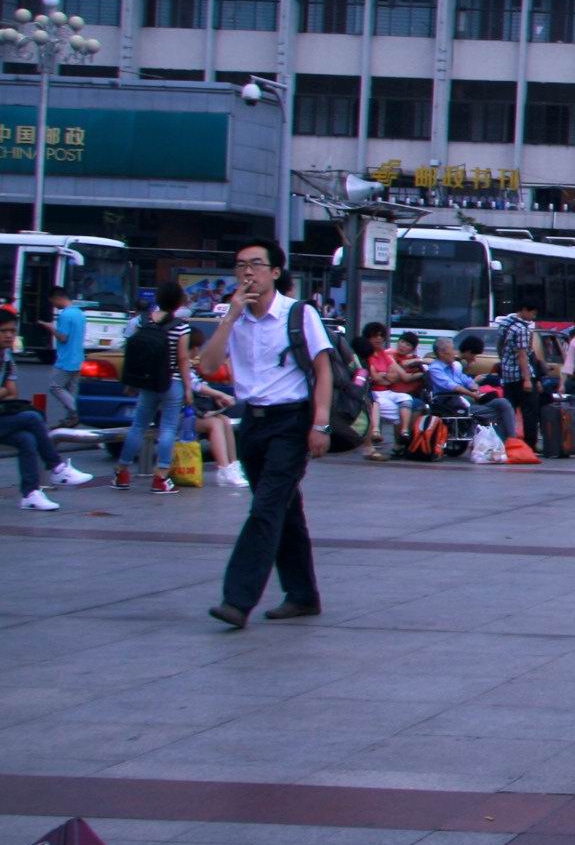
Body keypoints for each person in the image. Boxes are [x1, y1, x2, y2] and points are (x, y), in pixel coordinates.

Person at [193, 238, 332, 629]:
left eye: (255, 264)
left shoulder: (299, 313)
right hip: (252, 423)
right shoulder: (234, 316)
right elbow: (208, 367)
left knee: (266, 509)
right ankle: (302, 595)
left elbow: (323, 370)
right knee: (284, 510)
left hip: (291, 422)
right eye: (240, 266)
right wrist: (229, 317)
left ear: (274, 272)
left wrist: (320, 423)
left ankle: (237, 600)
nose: (247, 272)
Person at [0, 308, 93, 510]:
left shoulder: (7, 358)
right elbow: (8, 391)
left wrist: (4, 391)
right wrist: (5, 391)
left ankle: (30, 494)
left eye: (12, 331)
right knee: (32, 417)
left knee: (27, 439)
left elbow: (12, 393)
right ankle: (57, 468)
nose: (8, 335)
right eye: (3, 331)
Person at [117, 283, 196, 490]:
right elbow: (183, 359)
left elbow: (133, 353)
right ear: (178, 302)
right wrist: (188, 388)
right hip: (172, 382)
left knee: (138, 426)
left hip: (146, 381)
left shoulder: (142, 321)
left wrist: (131, 381)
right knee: (168, 428)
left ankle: (121, 472)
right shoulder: (181, 326)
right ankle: (161, 477)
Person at [421, 340, 518, 442]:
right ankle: (506, 442)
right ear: (441, 353)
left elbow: (466, 380)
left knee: (503, 403)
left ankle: (512, 440)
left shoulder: (453, 367)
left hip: (465, 401)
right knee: (499, 411)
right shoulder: (436, 369)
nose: (455, 353)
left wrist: (474, 387)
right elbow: (453, 387)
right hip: (452, 405)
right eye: (452, 350)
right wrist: (472, 394)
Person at [490, 294, 546, 444]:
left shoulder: (505, 323)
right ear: (525, 310)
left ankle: (507, 442)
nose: (533, 317)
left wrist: (504, 362)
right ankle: (529, 445)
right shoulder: (522, 329)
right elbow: (523, 355)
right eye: (533, 313)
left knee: (509, 410)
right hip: (521, 376)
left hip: (507, 375)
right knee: (530, 411)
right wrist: (527, 379)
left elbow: (500, 346)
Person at [363, 322, 423, 456]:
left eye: (381, 336)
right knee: (381, 406)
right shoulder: (378, 354)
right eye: (375, 336)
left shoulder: (384, 355)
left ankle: (403, 436)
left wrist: (383, 376)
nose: (379, 338)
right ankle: (375, 440)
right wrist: (384, 376)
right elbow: (375, 377)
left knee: (410, 403)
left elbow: (394, 377)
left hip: (390, 392)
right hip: (373, 393)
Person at [46, 284, 90, 429]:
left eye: (53, 302)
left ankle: (75, 412)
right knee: (72, 390)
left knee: (55, 386)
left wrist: (51, 328)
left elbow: (63, 337)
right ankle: (70, 419)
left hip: (66, 359)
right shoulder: (79, 313)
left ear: (57, 298)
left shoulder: (65, 315)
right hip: (79, 357)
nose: (54, 305)